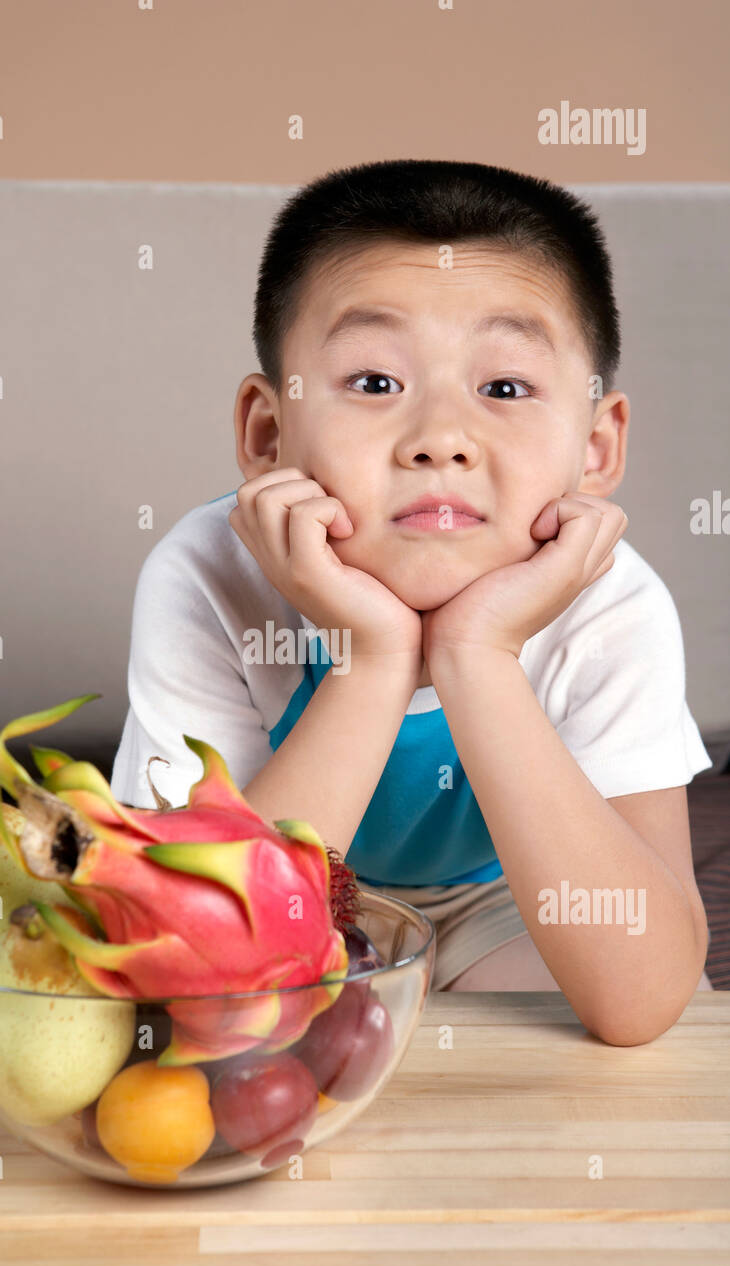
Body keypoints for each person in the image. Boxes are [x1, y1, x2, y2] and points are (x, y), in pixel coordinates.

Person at [110, 159, 713, 1045]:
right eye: (375, 383)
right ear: (267, 433)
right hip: (296, 911)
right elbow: (192, 957)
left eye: (503, 388)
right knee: (193, 1023)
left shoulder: (612, 606)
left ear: (595, 447)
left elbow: (644, 1000)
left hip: (508, 901)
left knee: (651, 1000)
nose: (439, 441)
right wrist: (375, 661)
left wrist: (478, 656)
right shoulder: (206, 577)